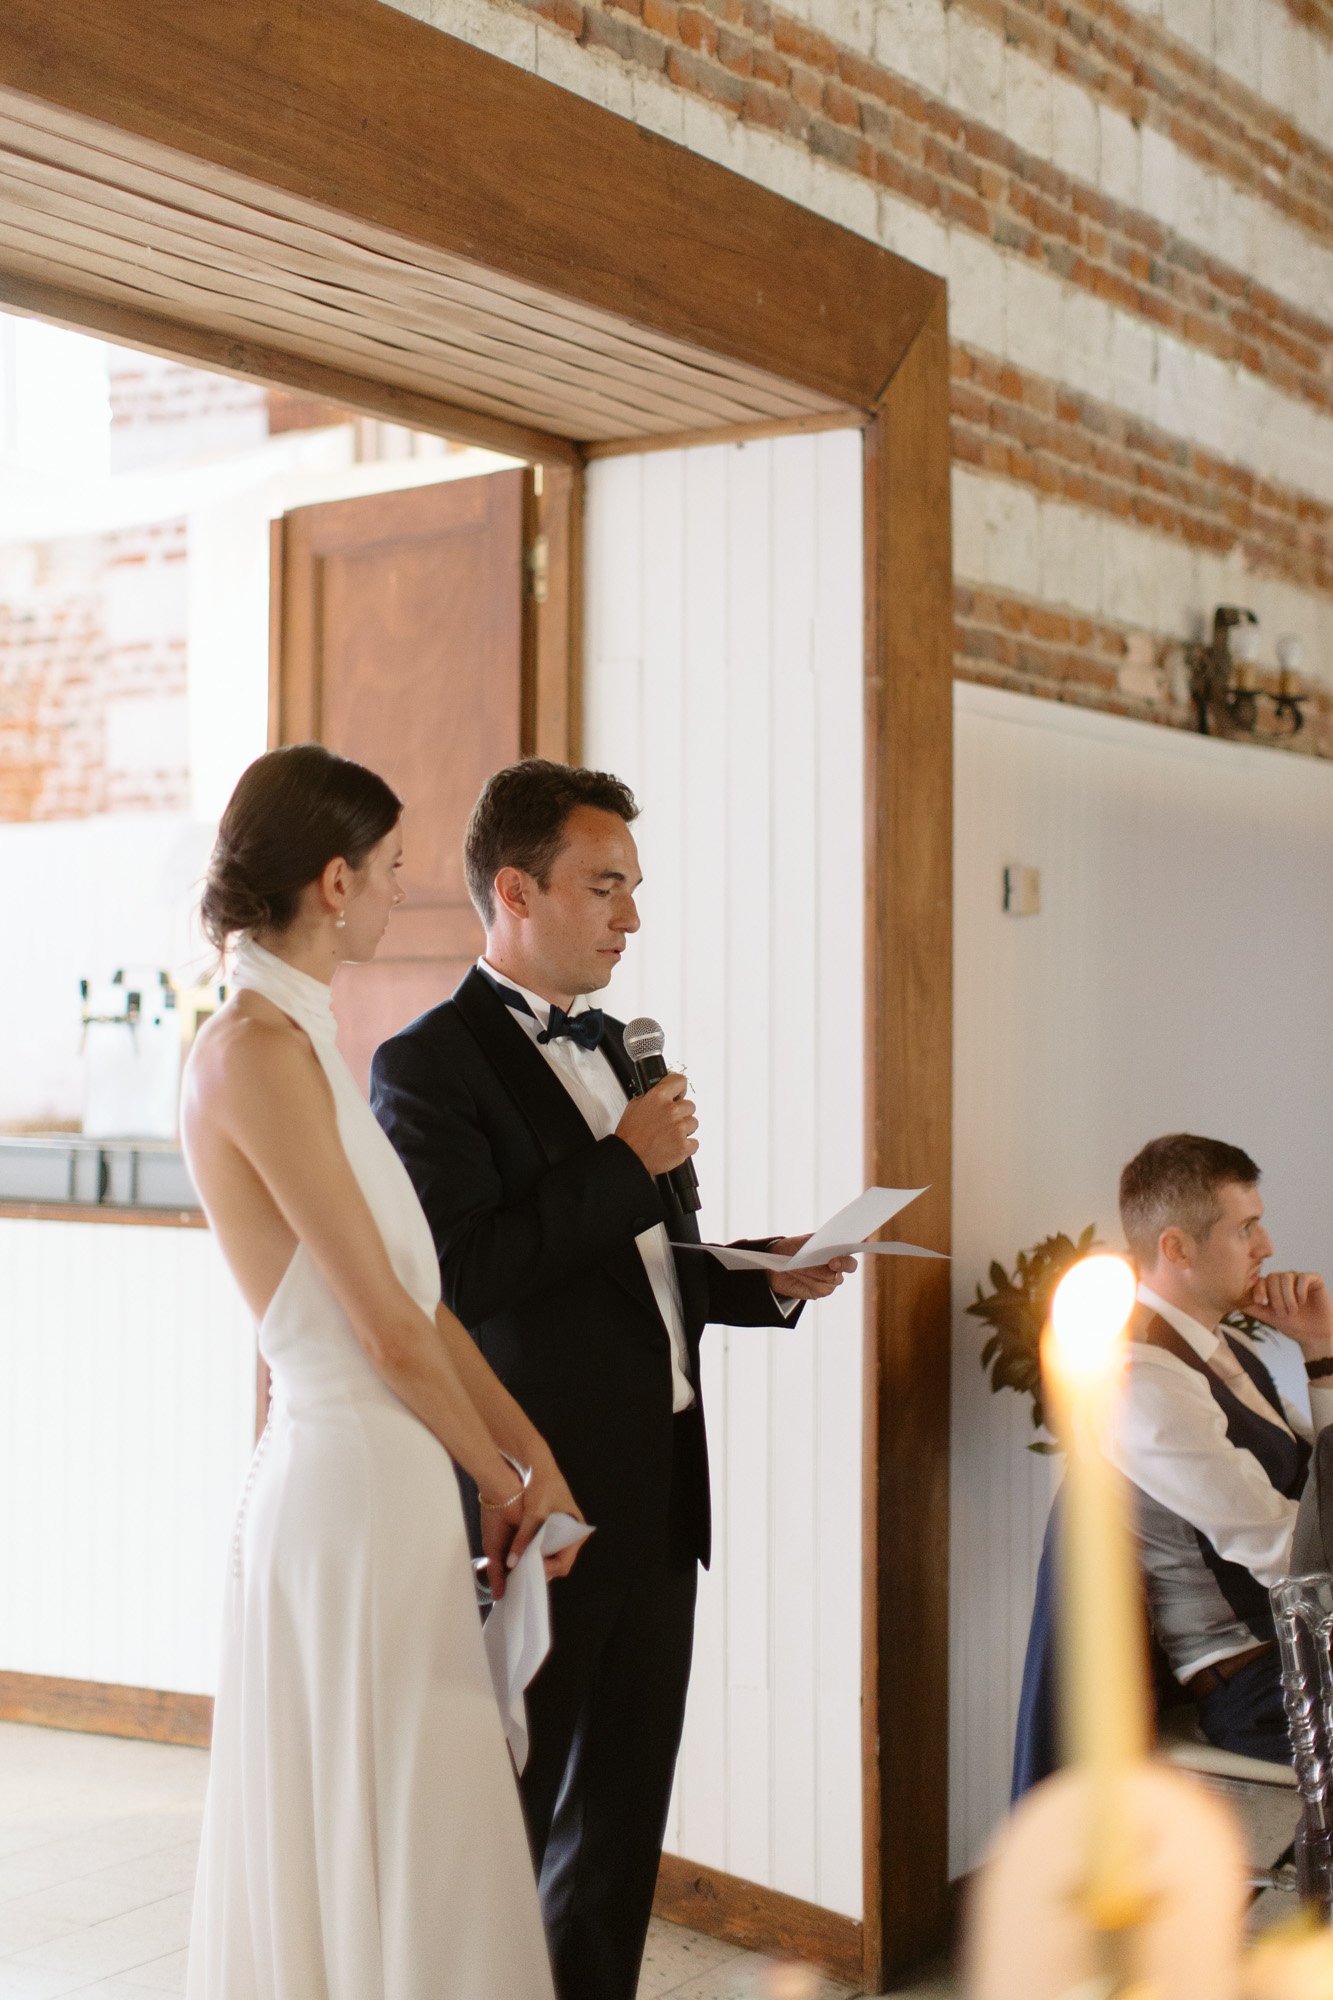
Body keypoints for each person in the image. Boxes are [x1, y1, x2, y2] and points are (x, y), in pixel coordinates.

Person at [370, 758, 854, 2000]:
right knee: (511, 1818)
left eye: (634, 887)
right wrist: (626, 1164)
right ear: (516, 890)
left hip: (663, 1492)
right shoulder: (428, 1065)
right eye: (605, 885)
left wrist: (763, 1277)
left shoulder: (627, 1055)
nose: (630, 916)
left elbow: (648, 1265)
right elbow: (463, 1276)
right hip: (543, 1500)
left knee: (622, 1827)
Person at [181, 743, 584, 2000]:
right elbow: (381, 1329)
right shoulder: (253, 1051)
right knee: (390, 1808)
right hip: (349, 1491)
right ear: (334, 878)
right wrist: (499, 1480)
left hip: (390, 1478)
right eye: (396, 869)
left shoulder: (309, 1042)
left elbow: (430, 1309)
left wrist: (534, 1458)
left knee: (424, 1813)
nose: (407, 892)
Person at [1108, 1132, 1333, 1762]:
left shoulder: (1223, 1349)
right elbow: (1287, 1555)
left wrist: (1320, 1353)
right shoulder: (1142, 1376)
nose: (1267, 1248)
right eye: (1246, 1228)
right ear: (1176, 1246)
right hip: (1263, 1682)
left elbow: (1320, 1476)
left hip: (1305, 1654)